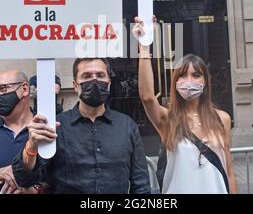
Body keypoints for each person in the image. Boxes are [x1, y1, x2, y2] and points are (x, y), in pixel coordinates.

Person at [12, 58, 150, 194]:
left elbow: (140, 184)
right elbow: (24, 180)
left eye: (100, 75)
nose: (94, 80)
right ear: (75, 84)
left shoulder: (126, 126)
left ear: (108, 83)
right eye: (87, 76)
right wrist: (31, 147)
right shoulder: (56, 127)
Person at [133, 17, 237, 194]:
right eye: (183, 76)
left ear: (205, 82)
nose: (189, 81)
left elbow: (229, 171)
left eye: (196, 75)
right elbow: (148, 97)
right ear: (175, 82)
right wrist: (144, 47)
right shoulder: (168, 119)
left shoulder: (222, 119)